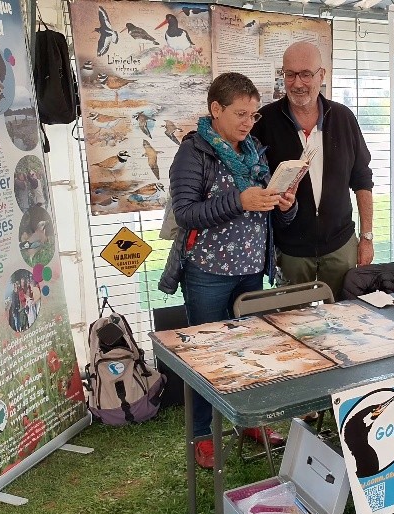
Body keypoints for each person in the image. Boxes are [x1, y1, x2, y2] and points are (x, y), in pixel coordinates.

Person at [158, 73, 298, 468]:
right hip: (207, 273)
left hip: (252, 270)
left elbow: (266, 208)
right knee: (206, 355)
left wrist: (285, 204)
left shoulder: (254, 150)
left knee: (249, 351)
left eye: (253, 115)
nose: (248, 123)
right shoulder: (193, 152)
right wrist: (240, 201)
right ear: (215, 109)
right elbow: (186, 213)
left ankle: (249, 421)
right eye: (241, 113)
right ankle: (203, 433)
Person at [251, 41, 375, 300]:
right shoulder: (264, 122)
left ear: (322, 75)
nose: (298, 83)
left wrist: (367, 237)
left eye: (306, 74)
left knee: (345, 322)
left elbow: (362, 179)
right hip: (291, 251)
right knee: (292, 326)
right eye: (290, 74)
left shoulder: (343, 118)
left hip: (341, 247)